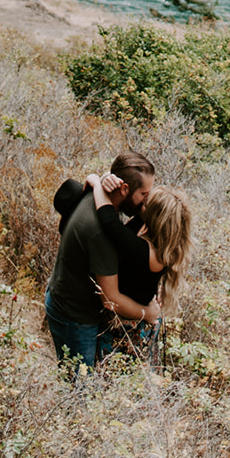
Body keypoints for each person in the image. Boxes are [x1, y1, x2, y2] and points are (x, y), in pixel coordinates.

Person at [44, 151, 155, 370]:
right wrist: (149, 313)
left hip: (65, 299)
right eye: (144, 193)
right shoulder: (100, 234)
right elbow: (110, 299)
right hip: (74, 318)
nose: (147, 200)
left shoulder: (99, 196)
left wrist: (99, 178)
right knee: (79, 390)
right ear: (124, 189)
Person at [85, 172, 192, 367]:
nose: (141, 205)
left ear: (154, 218)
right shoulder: (159, 240)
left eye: (145, 205)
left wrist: (96, 183)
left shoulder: (146, 252)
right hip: (135, 322)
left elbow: (110, 223)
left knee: (114, 380)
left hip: (128, 328)